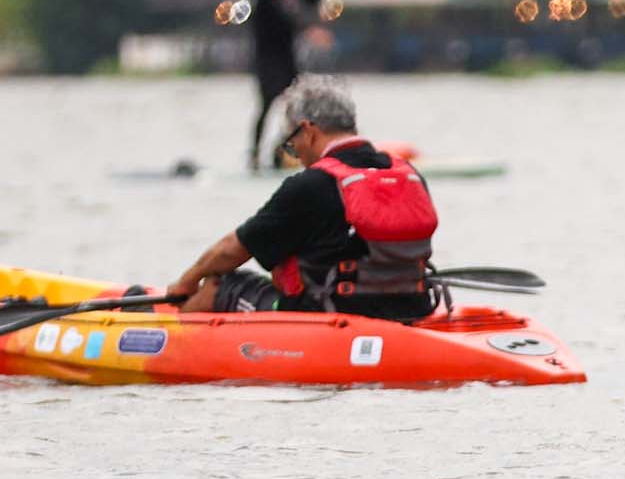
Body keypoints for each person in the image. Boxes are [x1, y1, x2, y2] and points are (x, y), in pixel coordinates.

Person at [172, 77, 440, 321]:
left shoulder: (312, 184)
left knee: (220, 284)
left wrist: (186, 282)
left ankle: (171, 343)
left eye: (291, 144)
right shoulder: (408, 174)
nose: (296, 155)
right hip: (413, 308)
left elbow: (233, 249)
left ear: (308, 130)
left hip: (333, 315)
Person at [247, 0, 330, 170]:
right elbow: (280, 15)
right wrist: (308, 30)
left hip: (286, 55)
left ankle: (281, 151)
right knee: (267, 104)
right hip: (267, 56)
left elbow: (310, 0)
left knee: (298, 106)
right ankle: (254, 156)